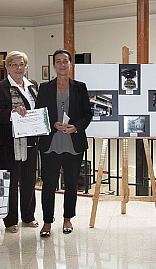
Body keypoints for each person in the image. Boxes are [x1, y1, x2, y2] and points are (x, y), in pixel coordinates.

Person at [35, 49, 92, 237]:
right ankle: (47, 222)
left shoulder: (80, 87)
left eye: (65, 61)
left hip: (73, 143)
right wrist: (52, 124)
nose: (62, 64)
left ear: (70, 64)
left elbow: (87, 114)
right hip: (51, 143)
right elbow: (39, 113)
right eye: (58, 61)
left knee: (71, 184)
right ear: (54, 65)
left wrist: (76, 127)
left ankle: (68, 219)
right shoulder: (45, 88)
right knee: (49, 184)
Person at [0, 51, 39, 233]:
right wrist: (12, 113)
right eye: (14, 65)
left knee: (28, 180)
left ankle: (28, 216)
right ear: (7, 67)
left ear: (26, 66)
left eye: (21, 64)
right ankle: (10, 220)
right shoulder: (0, 87)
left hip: (30, 139)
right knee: (10, 181)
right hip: (9, 141)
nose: (18, 68)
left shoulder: (33, 85)